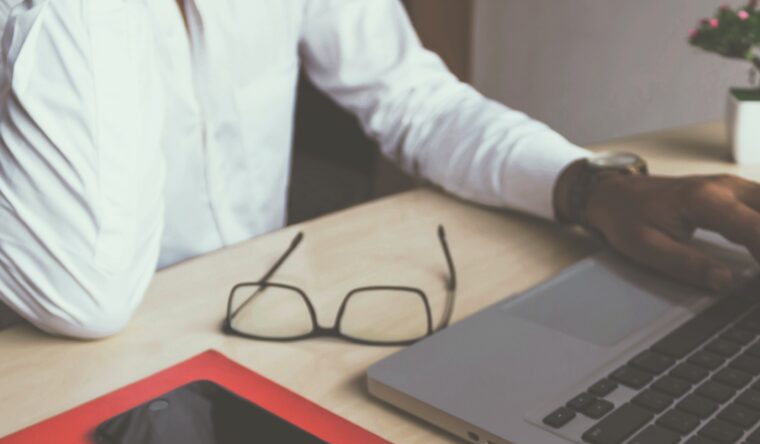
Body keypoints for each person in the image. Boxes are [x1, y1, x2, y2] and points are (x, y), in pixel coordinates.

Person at [0, 0, 759, 339]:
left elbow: (412, 99)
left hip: (259, 324)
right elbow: (85, 295)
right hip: (49, 354)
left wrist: (590, 186)